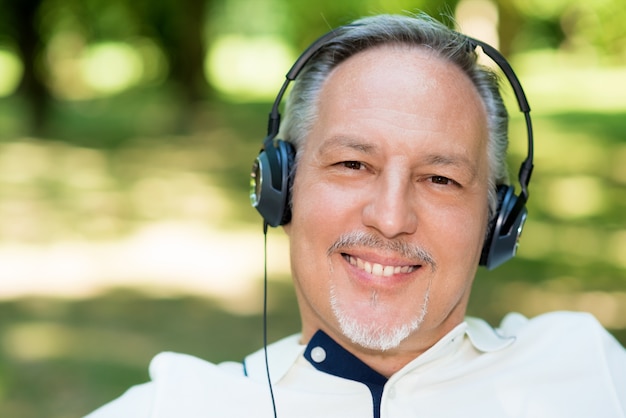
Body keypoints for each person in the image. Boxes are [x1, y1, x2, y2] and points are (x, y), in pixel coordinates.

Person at [85, 13, 626, 418]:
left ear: (498, 220)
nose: (390, 218)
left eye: (440, 178)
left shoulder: (588, 368)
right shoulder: (176, 405)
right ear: (281, 188)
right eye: (352, 164)